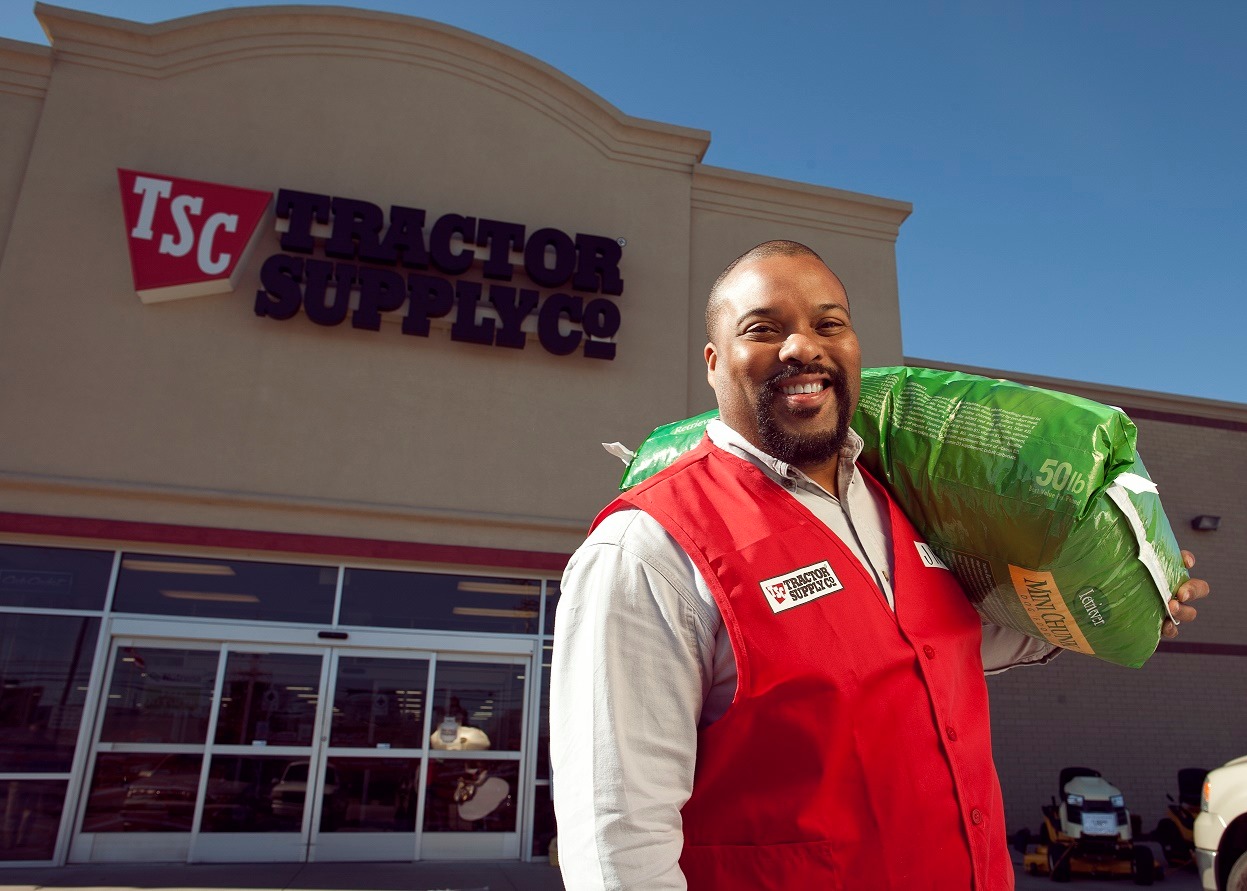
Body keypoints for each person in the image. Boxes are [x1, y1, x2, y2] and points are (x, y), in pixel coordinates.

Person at [549, 240, 1210, 890]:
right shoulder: (647, 548)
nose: (802, 347)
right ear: (714, 362)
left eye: (828, 324)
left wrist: (1124, 592)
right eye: (763, 329)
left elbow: (941, 648)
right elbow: (618, 843)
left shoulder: (899, 501)